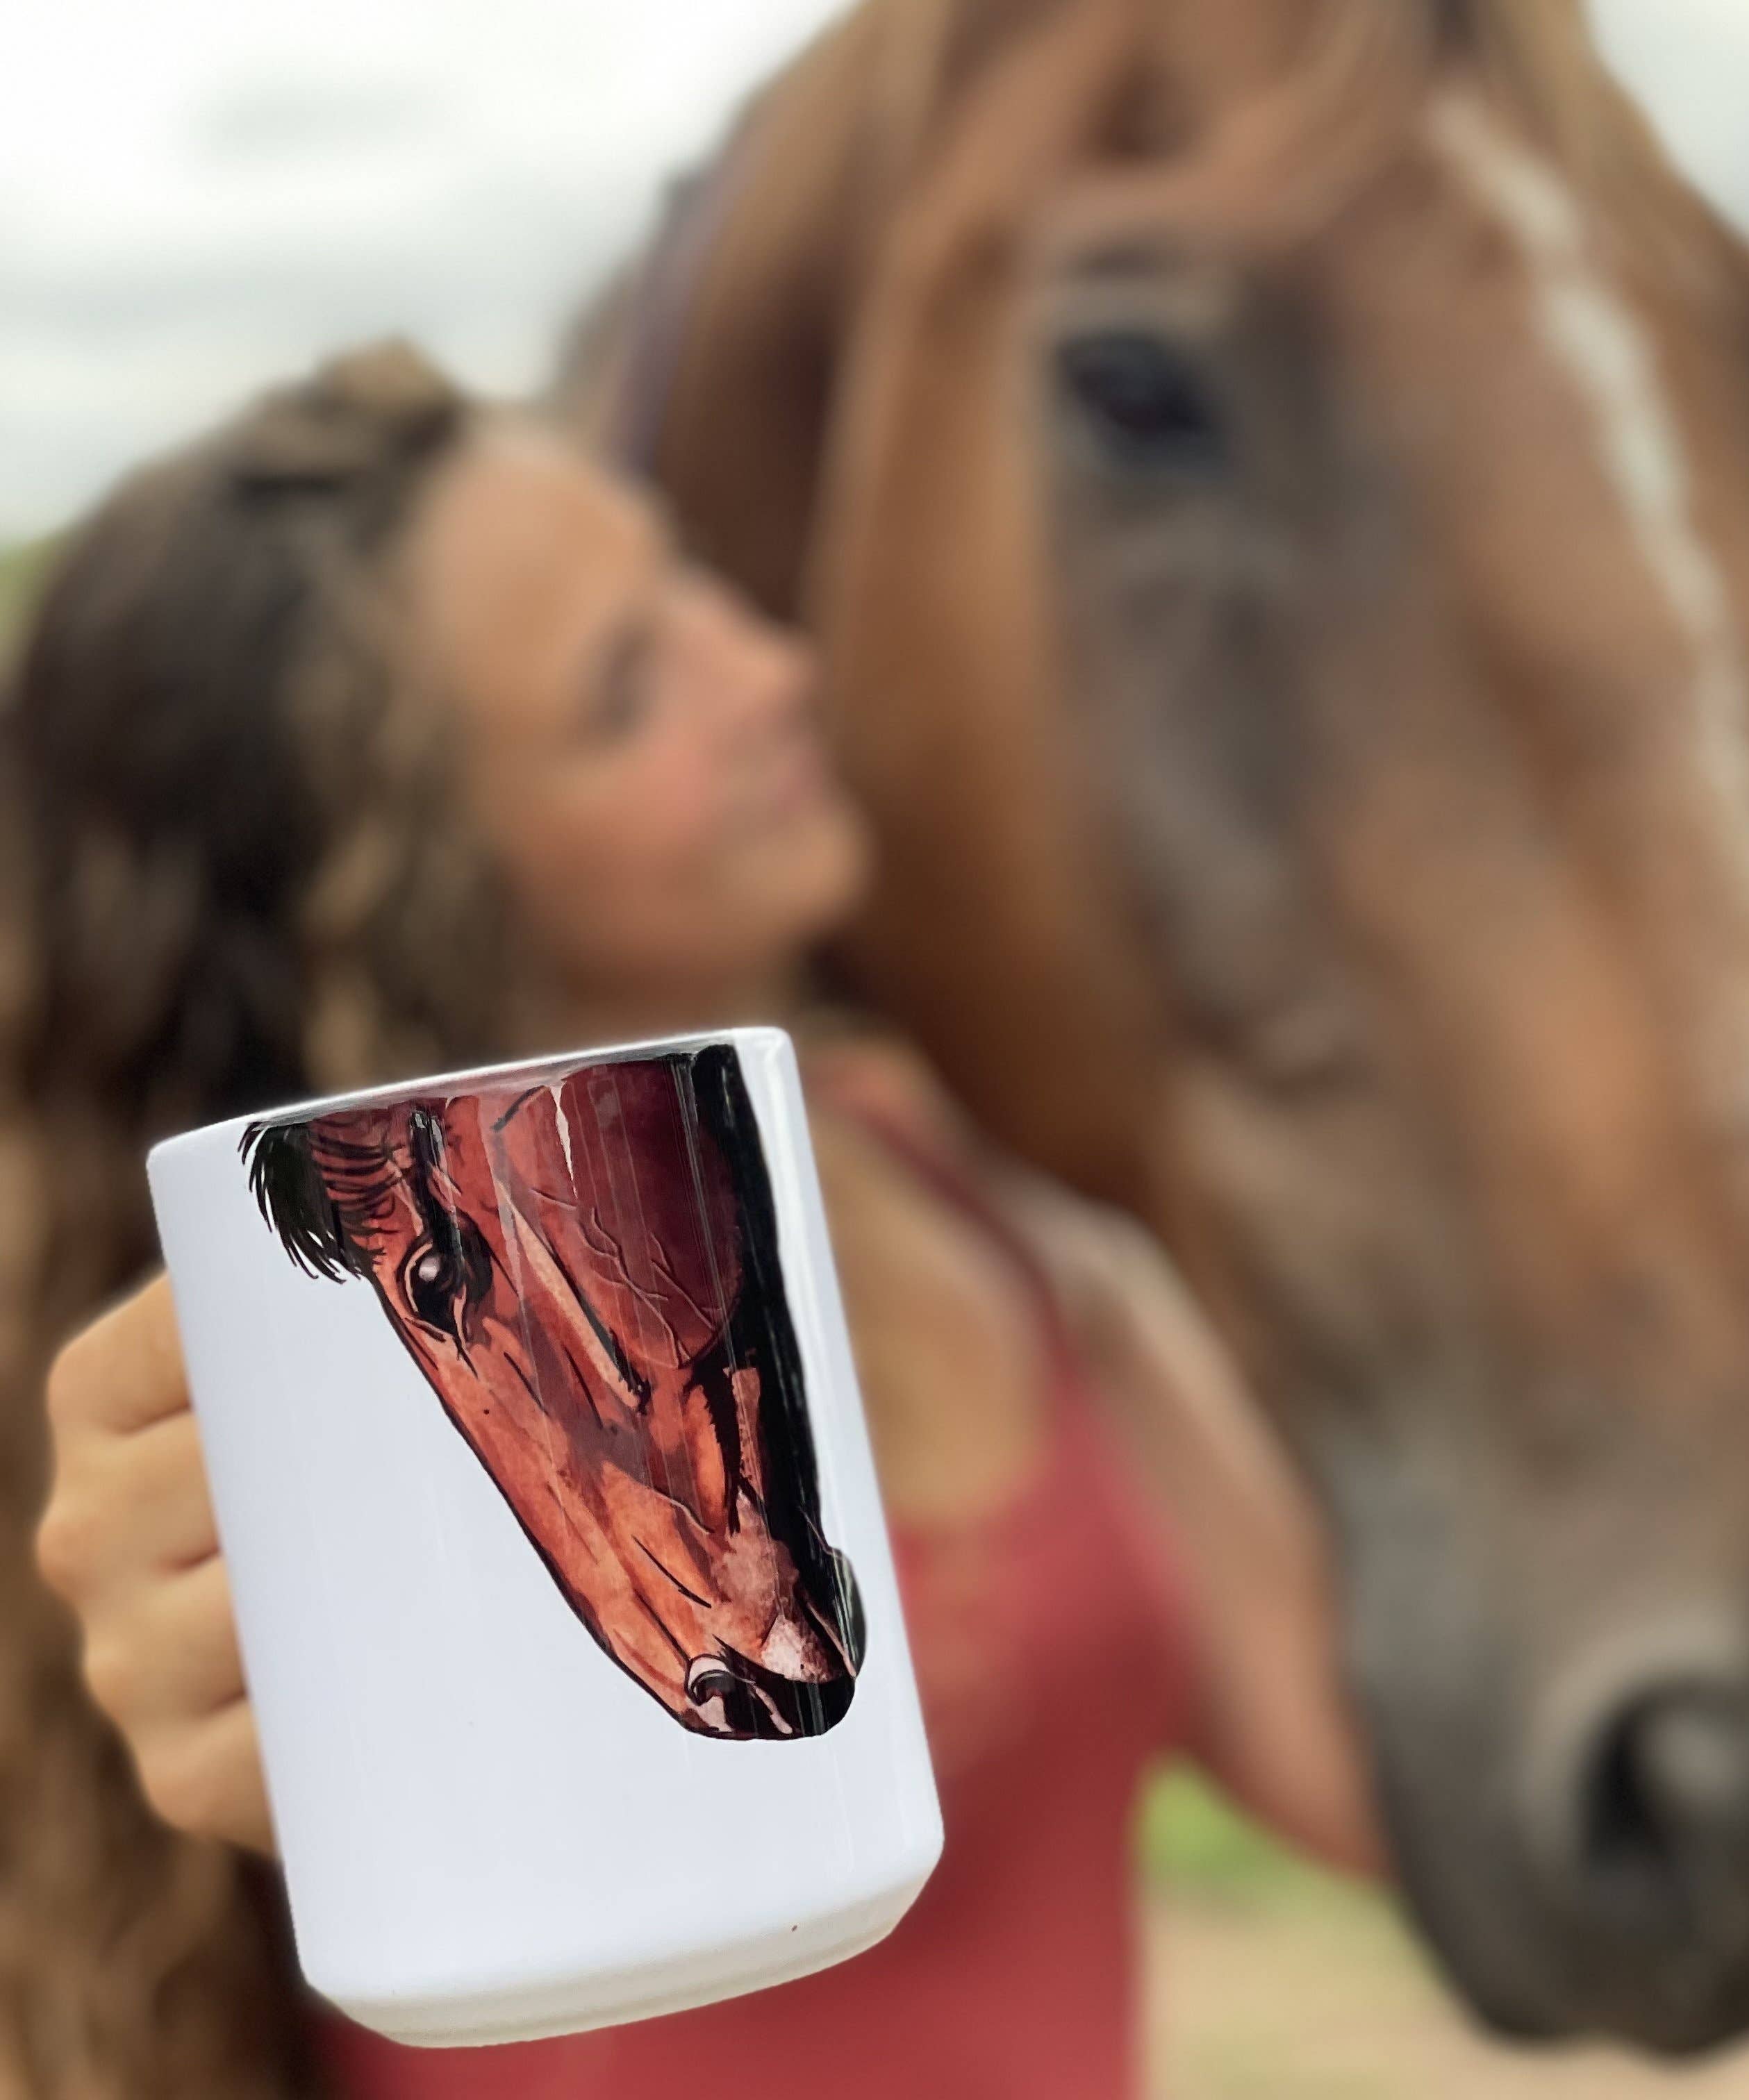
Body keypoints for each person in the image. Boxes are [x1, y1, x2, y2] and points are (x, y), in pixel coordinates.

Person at [6, 342, 1380, 2100]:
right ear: (423, 867)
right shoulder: (311, 1387)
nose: (777, 672)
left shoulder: (976, 1196)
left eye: (689, 588)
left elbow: (1364, 1778)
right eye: (628, 689)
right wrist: (128, 1675)